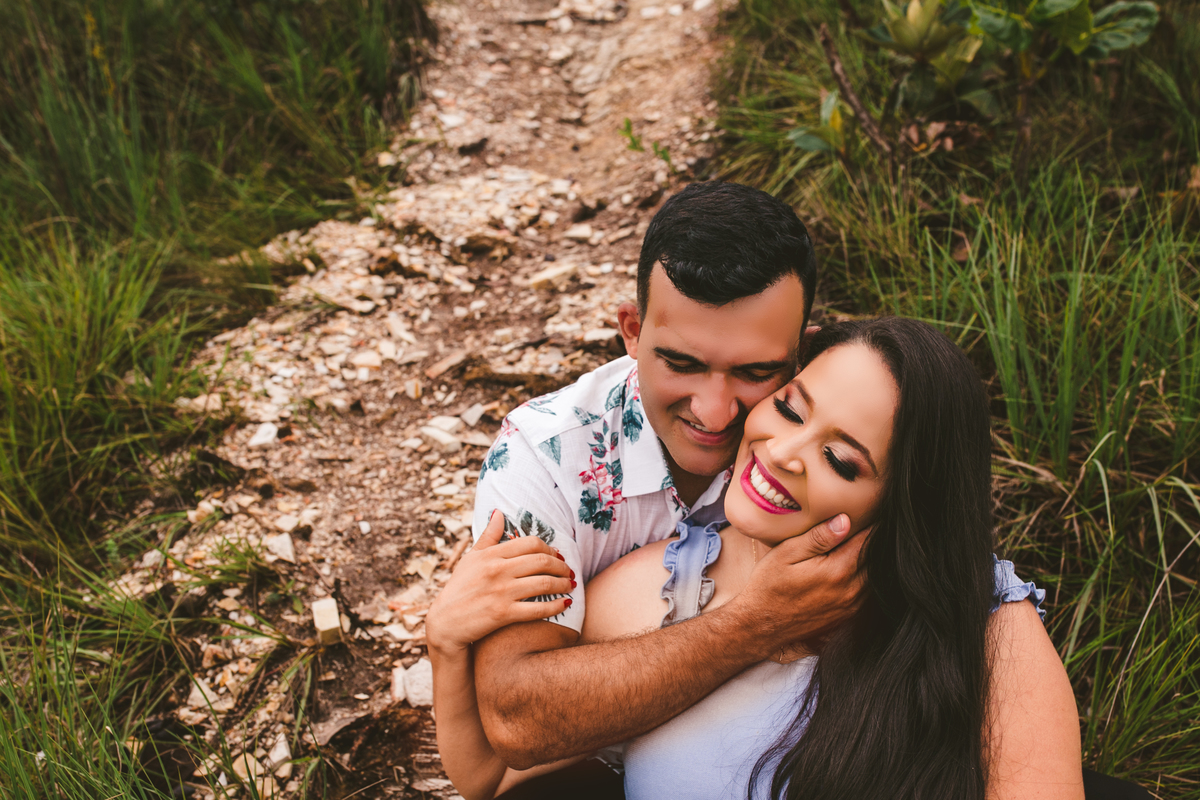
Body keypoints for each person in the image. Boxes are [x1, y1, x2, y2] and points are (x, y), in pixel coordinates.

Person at [432, 318, 1087, 800]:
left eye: (841, 459)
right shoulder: (661, 590)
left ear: (902, 507)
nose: (782, 452)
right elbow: (497, 775)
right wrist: (445, 646)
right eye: (791, 408)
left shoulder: (983, 625)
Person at [430, 182, 869, 796]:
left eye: (755, 371)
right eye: (683, 364)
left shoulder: (811, 449)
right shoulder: (548, 454)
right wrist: (754, 625)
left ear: (802, 354)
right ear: (632, 331)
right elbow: (518, 720)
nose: (716, 413)